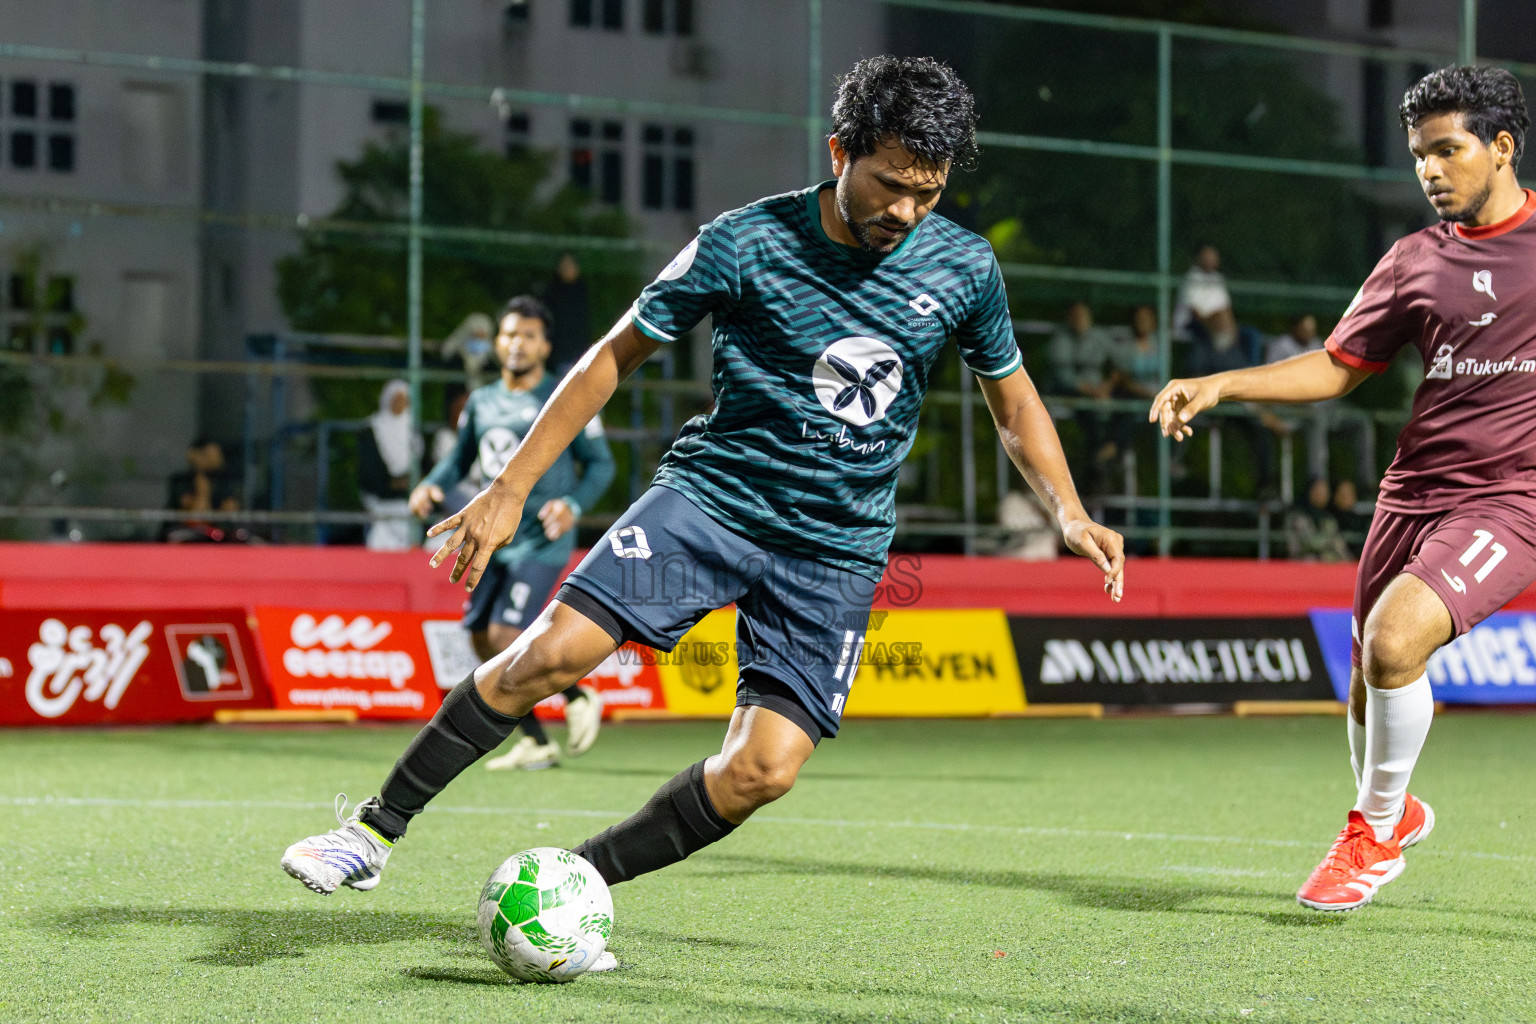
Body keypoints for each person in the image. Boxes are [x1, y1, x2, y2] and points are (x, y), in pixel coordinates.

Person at [280, 56, 1126, 961]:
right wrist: (510, 487)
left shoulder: (963, 265)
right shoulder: (744, 241)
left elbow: (1014, 398)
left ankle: (578, 881)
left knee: (764, 769)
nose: (906, 212)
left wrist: (1067, 511)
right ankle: (371, 833)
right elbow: (612, 355)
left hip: (834, 552)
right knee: (548, 655)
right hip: (715, 501)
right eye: (888, 185)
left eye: (928, 192)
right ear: (841, 150)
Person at [1150, 65, 1533, 912]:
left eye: (1447, 150)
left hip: (1514, 496)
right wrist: (1221, 385)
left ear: (1502, 147)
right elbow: (1337, 368)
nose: (1429, 170)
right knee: (1367, 674)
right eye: (1418, 155)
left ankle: (1375, 830)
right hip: (1412, 491)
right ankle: (1393, 811)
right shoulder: (1413, 261)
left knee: (1396, 642)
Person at [406, 295, 615, 770]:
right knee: (480, 636)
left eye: (528, 335)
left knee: (505, 631)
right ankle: (537, 741)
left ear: (544, 346)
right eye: (509, 334)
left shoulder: (564, 396)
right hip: (493, 536)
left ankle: (578, 694)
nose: (516, 343)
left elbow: (601, 464)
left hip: (541, 538)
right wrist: (430, 484)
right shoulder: (481, 401)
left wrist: (574, 504)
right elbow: (460, 460)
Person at [1266, 314, 1376, 492]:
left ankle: (1366, 481)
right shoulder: (1280, 346)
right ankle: (1317, 481)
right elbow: (1271, 385)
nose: (1308, 333)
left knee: (1361, 420)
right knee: (1316, 419)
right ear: (1295, 327)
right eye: (1304, 329)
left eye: (1311, 329)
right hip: (1293, 409)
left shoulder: (1319, 345)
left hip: (1324, 406)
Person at [1045, 301, 1116, 487]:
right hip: (1072, 393)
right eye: (1075, 316)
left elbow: (1120, 362)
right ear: (1069, 319)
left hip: (1097, 395)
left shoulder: (1099, 337)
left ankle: (1108, 451)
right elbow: (1064, 377)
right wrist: (1093, 392)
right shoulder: (1061, 339)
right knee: (1088, 412)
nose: (1080, 321)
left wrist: (1107, 386)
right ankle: (1096, 460)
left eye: (1083, 316)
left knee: (1125, 407)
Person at [357, 379, 421, 551]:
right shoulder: (372, 429)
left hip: (407, 503)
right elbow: (369, 474)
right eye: (396, 399)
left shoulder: (412, 429)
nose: (400, 404)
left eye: (404, 400)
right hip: (380, 502)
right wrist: (394, 483)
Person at [163, 438, 243, 543]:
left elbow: (231, 512)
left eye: (218, 454)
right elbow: (197, 517)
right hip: (186, 535)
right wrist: (202, 491)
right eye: (208, 455)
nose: (217, 458)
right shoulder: (182, 481)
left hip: (215, 537)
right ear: (194, 455)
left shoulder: (224, 482)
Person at [542, 252, 592, 376]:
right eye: (564, 266)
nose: (567, 269)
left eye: (570, 265)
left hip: (579, 354)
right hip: (555, 357)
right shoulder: (551, 292)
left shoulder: (582, 292)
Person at [1172, 243, 1231, 342]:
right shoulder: (1191, 277)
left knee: (1250, 335)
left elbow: (1225, 309)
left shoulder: (1218, 279)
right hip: (1190, 323)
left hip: (1217, 323)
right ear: (1199, 258)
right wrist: (1215, 323)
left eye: (1212, 256)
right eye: (1206, 256)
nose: (1210, 259)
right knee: (1213, 334)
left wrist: (1230, 326)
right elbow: (1195, 312)